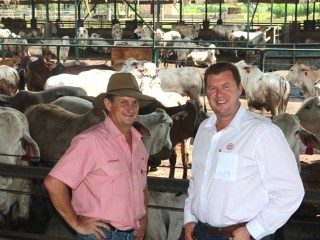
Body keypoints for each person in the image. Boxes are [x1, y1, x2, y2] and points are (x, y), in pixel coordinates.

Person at [184, 62, 305, 240]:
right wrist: (189, 219)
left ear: (239, 89)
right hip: (201, 232)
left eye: (226, 86)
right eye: (212, 88)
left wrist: (252, 231)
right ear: (206, 92)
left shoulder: (263, 132)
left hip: (241, 235)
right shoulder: (204, 129)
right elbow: (196, 181)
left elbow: (291, 192)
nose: (219, 94)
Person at [44, 72, 155, 240]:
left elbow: (142, 187)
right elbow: (53, 183)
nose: (131, 108)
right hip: (101, 235)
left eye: (135, 102)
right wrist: (76, 224)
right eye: (123, 102)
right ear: (108, 104)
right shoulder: (90, 141)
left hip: (131, 234)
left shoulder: (138, 143)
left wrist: (143, 216)